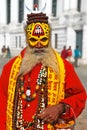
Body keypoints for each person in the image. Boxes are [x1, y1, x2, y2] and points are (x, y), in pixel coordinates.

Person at [0, 12, 86, 130]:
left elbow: (80, 96)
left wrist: (61, 107)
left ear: (49, 38)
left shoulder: (64, 67)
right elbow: (1, 105)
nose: (39, 45)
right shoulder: (10, 68)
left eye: (44, 39)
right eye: (34, 40)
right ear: (26, 38)